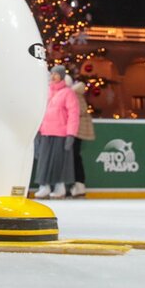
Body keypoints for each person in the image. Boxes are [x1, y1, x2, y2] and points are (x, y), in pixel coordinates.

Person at [34, 65, 80, 200]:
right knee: (44, 161)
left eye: (56, 74)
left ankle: (60, 187)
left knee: (59, 161)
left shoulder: (68, 93)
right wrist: (38, 129)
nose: (53, 76)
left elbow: (73, 114)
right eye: (52, 73)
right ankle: (44, 186)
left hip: (61, 133)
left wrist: (71, 134)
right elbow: (41, 111)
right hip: (46, 131)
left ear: (62, 76)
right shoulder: (47, 91)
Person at [69, 77, 94, 198]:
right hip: (75, 130)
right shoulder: (75, 93)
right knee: (74, 157)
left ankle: (78, 184)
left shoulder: (74, 94)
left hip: (75, 130)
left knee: (74, 157)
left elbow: (78, 111)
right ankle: (78, 184)